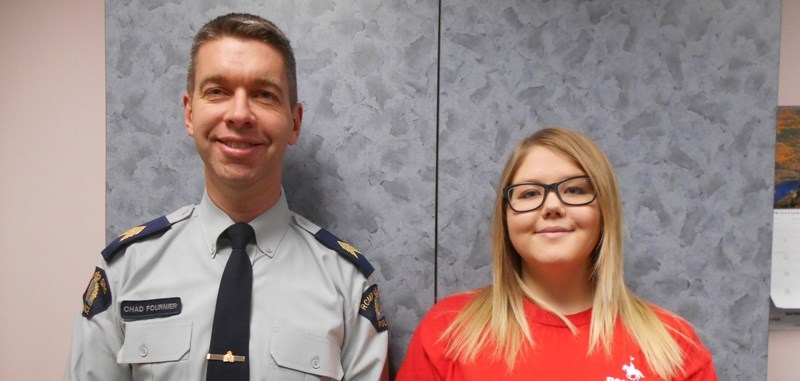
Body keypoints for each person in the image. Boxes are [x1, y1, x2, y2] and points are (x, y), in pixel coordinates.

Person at [65, 13, 388, 381]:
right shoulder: (125, 273)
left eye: (264, 94)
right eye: (217, 91)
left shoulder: (348, 286)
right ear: (190, 113)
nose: (239, 114)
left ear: (294, 123)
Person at [397, 127, 717, 380]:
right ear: (506, 216)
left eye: (575, 189)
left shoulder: (673, 345)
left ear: (604, 210)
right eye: (530, 193)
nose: (552, 206)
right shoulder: (448, 331)